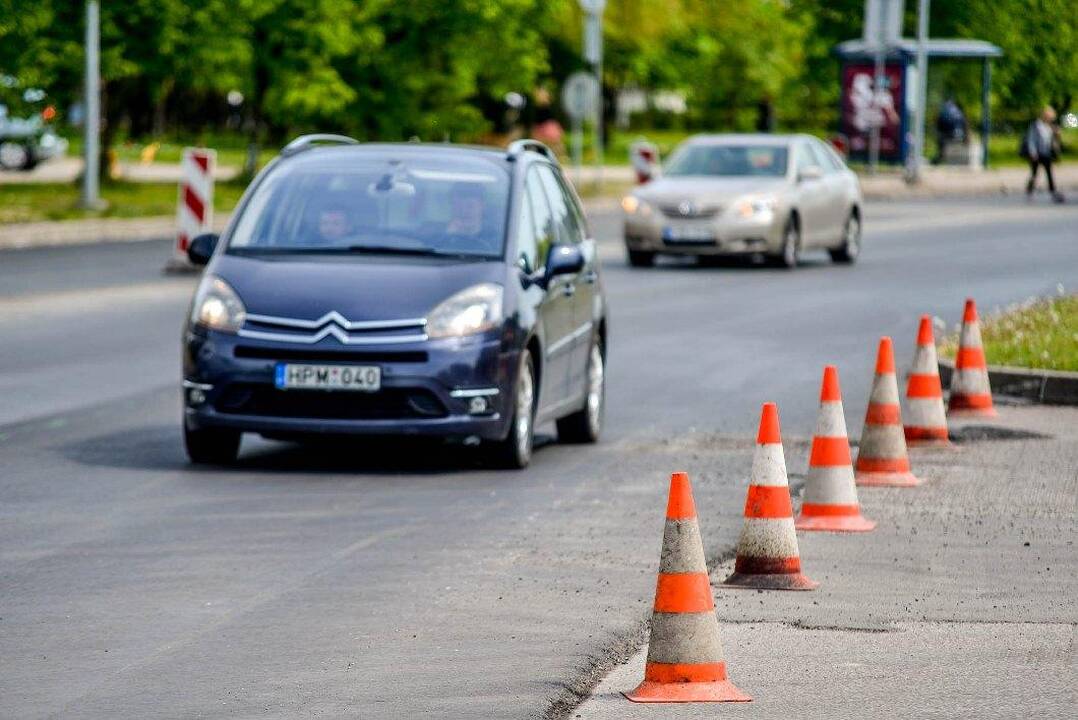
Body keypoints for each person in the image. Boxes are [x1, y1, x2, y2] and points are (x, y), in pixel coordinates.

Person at [1021, 106, 1065, 203]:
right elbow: (1031, 139)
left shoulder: (1049, 126)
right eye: (1049, 117)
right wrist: (1032, 152)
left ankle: (1053, 193)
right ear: (1045, 116)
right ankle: (1029, 192)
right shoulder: (1036, 125)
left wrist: (1057, 134)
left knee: (1049, 173)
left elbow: (1053, 141)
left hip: (1046, 153)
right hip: (1037, 154)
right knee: (1034, 174)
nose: (1051, 119)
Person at [934, 98, 967, 164]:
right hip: (959, 135)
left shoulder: (944, 111)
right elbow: (965, 125)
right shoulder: (959, 112)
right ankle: (947, 158)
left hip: (947, 136)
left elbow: (939, 125)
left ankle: (941, 157)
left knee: (940, 138)